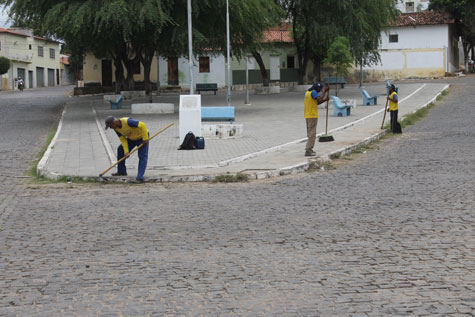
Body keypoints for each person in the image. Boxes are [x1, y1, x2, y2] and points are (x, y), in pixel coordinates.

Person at [105, 116, 149, 183]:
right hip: (131, 138)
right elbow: (123, 140)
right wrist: (126, 152)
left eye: (110, 126)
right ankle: (122, 171)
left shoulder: (128, 122)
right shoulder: (116, 129)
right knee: (120, 150)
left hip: (141, 137)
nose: (110, 128)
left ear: (114, 123)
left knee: (142, 156)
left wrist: (145, 138)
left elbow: (142, 125)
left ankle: (140, 177)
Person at [304, 82, 330, 156]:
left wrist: (325, 100)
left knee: (310, 132)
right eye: (320, 90)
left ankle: (309, 148)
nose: (319, 91)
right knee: (312, 133)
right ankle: (308, 150)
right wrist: (325, 91)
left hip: (307, 115)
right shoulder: (313, 92)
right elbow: (320, 98)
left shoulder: (308, 93)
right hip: (312, 116)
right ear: (317, 88)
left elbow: (317, 102)